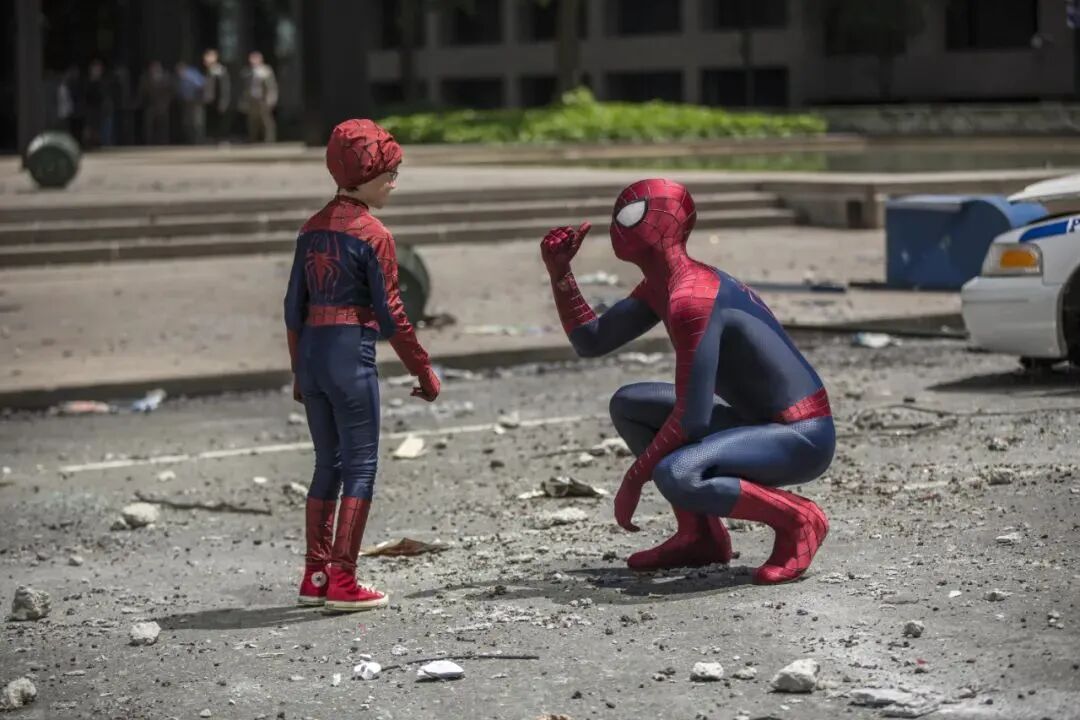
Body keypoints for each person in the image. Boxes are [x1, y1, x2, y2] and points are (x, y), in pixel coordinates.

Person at [540, 179, 835, 584]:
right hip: (755, 425)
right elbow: (592, 341)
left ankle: (798, 519)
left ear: (666, 224)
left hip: (801, 434)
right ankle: (700, 536)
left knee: (678, 472)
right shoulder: (660, 285)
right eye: (617, 216)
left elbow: (692, 419)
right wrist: (561, 273)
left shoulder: (692, 297)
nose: (617, 228)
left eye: (631, 215)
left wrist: (634, 480)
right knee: (629, 405)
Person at [284, 119, 441, 611]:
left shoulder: (311, 229)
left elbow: (292, 307)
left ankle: (314, 575)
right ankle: (343, 580)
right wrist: (423, 369)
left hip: (312, 353)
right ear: (369, 175)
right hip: (350, 352)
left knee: (325, 463)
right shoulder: (374, 235)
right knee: (361, 466)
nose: (394, 183)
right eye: (390, 174)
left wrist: (298, 370)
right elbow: (393, 315)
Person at [240, 51, 277, 143]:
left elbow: (272, 86)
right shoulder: (247, 72)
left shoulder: (266, 71)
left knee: (266, 120)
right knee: (252, 120)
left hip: (263, 99)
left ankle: (269, 139)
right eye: (252, 59)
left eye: (255, 59)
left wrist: (271, 98)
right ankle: (253, 138)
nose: (253, 61)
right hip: (251, 99)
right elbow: (243, 87)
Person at [201, 49, 231, 143]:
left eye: (210, 56)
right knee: (209, 121)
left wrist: (224, 101)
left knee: (219, 120)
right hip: (208, 99)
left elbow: (224, 88)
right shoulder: (205, 70)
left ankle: (220, 138)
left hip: (218, 100)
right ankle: (210, 138)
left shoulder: (220, 70)